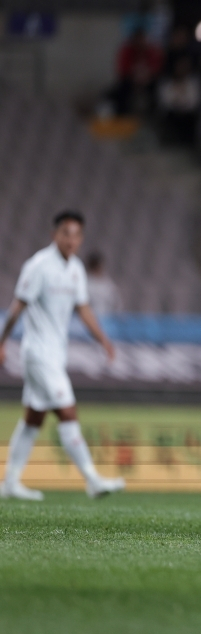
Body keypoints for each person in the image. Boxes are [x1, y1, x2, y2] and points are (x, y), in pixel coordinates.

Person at [0, 211, 125, 501]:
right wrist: (2, 342)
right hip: (38, 354)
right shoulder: (39, 266)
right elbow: (17, 307)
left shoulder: (76, 269)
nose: (71, 240)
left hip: (56, 355)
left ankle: (10, 483)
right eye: (66, 233)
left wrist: (103, 340)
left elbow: (83, 308)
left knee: (34, 418)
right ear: (54, 235)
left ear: (81, 239)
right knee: (67, 411)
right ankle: (92, 479)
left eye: (76, 234)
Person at [84, 252, 123, 316]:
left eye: (98, 265)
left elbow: (117, 303)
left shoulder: (108, 283)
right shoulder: (85, 283)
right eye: (94, 265)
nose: (97, 267)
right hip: (90, 319)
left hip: (107, 319)